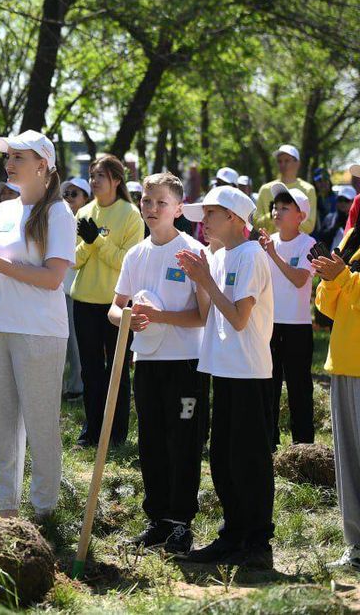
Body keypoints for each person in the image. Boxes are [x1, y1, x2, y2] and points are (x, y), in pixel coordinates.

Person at [0, 130, 76, 520]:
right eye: (8, 156)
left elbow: (52, 279)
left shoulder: (59, 213)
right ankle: (6, 507)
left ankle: (44, 511)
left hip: (39, 331)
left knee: (41, 423)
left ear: (42, 164)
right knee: (3, 422)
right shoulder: (2, 211)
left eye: (18, 157)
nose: (8, 163)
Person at [109, 173, 208, 555]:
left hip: (185, 363)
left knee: (182, 442)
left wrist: (160, 316)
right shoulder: (136, 254)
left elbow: (202, 316)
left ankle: (182, 523)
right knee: (150, 440)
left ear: (178, 208)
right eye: (146, 201)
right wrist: (127, 318)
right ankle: (157, 520)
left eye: (160, 202)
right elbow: (116, 308)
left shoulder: (193, 252)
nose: (151, 209)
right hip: (146, 360)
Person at [176, 185, 275, 567]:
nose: (204, 224)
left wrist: (205, 280)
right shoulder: (220, 256)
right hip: (224, 368)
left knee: (249, 458)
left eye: (211, 215)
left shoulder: (250, 256)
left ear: (234, 218)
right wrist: (202, 277)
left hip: (249, 371)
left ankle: (257, 543)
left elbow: (238, 318)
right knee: (223, 457)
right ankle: (233, 534)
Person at [72, 155, 145, 447]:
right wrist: (90, 242)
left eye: (100, 176)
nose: (94, 181)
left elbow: (127, 262)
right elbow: (74, 261)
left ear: (116, 180)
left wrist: (97, 241)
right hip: (85, 301)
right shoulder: (84, 212)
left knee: (117, 370)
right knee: (89, 370)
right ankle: (92, 431)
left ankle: (116, 434)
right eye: (92, 176)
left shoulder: (130, 214)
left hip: (118, 305)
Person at [312, 167, 360, 571]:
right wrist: (328, 278)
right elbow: (329, 308)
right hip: (343, 361)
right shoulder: (352, 235)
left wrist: (342, 276)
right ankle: (355, 545)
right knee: (348, 461)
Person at [258, 184, 316, 449]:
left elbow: (299, 280)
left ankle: (303, 446)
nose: (276, 212)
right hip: (270, 324)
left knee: (298, 388)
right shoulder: (268, 241)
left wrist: (273, 254)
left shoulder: (309, 244)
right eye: (275, 207)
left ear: (300, 216)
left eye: (284, 208)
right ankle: (269, 442)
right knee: (268, 385)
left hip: (297, 327)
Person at [60, 177, 91, 398]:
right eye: (66, 194)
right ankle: (57, 386)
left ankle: (76, 386)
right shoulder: (59, 219)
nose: (69, 198)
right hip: (55, 288)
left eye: (74, 194)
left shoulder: (89, 222)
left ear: (86, 198)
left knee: (75, 342)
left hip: (76, 288)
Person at [253, 144, 317, 235]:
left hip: (298, 247)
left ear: (297, 163)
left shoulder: (308, 189)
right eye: (279, 161)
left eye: (287, 161)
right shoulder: (265, 189)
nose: (283, 164)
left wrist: (281, 218)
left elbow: (309, 225)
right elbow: (256, 224)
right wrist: (272, 215)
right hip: (270, 245)